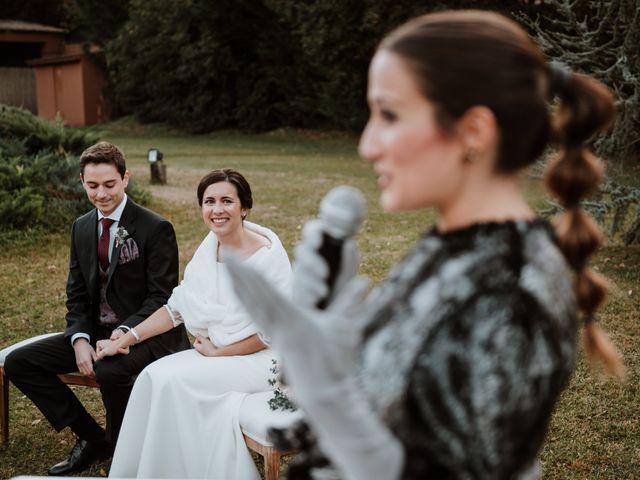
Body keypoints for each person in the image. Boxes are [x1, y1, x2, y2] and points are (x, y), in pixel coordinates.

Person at [223, 10, 624, 480]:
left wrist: (328, 388)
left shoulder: (512, 286)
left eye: (389, 114)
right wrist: (329, 336)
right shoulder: (454, 249)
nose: (368, 145)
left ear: (473, 131)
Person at [4, 141, 190, 476]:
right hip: (96, 331)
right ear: (82, 182)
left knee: (110, 370)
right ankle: (91, 438)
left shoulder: (155, 227)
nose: (101, 194)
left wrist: (122, 335)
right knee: (21, 362)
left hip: (146, 332)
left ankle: (122, 449)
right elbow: (76, 293)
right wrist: (79, 339)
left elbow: (161, 296)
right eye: (92, 186)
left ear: (125, 179)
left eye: (109, 184)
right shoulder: (82, 227)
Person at [99, 168, 292, 479]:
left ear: (244, 208)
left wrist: (218, 355)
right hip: (216, 351)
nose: (217, 210)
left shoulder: (267, 257)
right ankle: (147, 471)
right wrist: (127, 338)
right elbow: (176, 309)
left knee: (174, 383)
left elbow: (272, 334)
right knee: (154, 376)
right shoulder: (209, 249)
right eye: (209, 201)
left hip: (263, 360)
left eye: (226, 201)